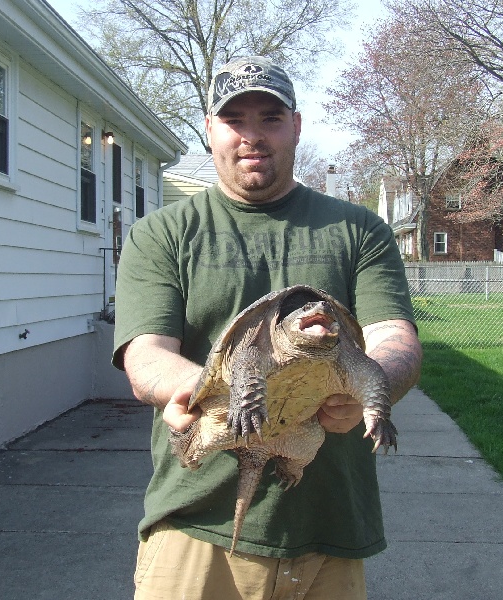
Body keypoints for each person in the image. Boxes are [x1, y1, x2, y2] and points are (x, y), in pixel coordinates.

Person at [113, 55, 422, 600]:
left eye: (270, 119)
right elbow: (146, 357)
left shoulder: (358, 230)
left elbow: (393, 339)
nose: (252, 137)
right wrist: (207, 393)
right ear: (210, 131)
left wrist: (370, 394)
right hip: (195, 523)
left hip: (329, 524)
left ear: (297, 126)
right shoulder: (162, 233)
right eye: (235, 121)